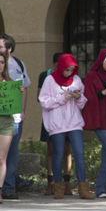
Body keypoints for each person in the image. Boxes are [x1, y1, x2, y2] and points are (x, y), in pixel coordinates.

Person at [38, 53, 94, 199]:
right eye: (67, 69)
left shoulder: (76, 80)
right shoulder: (49, 80)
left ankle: (83, 187)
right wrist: (63, 97)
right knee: (57, 154)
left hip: (74, 122)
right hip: (57, 124)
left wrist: (78, 97)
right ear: (61, 67)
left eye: (72, 69)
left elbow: (83, 103)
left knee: (79, 153)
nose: (69, 72)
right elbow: (44, 102)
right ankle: (58, 187)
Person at [82, 49, 106, 198]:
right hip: (99, 119)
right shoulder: (92, 76)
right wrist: (103, 93)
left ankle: (101, 188)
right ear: (101, 61)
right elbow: (87, 98)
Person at [38, 52, 74, 196]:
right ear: (55, 64)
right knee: (51, 151)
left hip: (68, 118)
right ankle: (51, 183)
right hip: (51, 117)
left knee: (67, 150)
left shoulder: (71, 76)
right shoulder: (45, 76)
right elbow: (39, 97)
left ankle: (67, 183)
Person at [0, 33, 30, 200]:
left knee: (10, 153)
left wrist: (23, 110)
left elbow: (25, 88)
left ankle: (8, 188)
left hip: (13, 117)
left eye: (0, 47)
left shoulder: (18, 64)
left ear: (9, 48)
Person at [0, 53, 15, 204]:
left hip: (6, 122)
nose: (0, 64)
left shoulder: (9, 82)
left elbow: (14, 105)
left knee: (1, 159)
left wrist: (17, 94)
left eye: (2, 62)